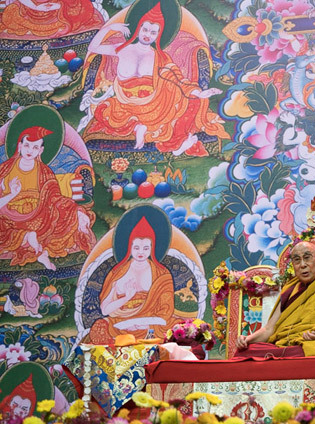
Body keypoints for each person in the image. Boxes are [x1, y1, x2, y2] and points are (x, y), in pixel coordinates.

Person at [84, 2, 228, 156]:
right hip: (125, 102)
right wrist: (111, 28)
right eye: (145, 29)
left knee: (193, 102)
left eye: (153, 32)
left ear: (158, 35)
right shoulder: (122, 48)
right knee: (104, 111)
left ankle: (147, 128)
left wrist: (198, 93)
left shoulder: (160, 57)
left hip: (153, 102)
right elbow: (93, 48)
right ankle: (145, 126)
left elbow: (177, 80)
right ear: (138, 29)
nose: (147, 34)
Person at [236, 241, 315, 357]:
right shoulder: (290, 289)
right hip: (284, 345)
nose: (303, 265)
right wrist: (248, 339)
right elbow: (269, 329)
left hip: (310, 345)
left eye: (307, 258)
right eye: (297, 260)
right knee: (245, 352)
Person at [0, 126, 95, 270]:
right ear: (19, 146)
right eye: (27, 145)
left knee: (74, 212)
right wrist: (13, 194)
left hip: (41, 214)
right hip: (12, 216)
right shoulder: (5, 170)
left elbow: (54, 198)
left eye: (35, 147)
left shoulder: (44, 171)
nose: (30, 150)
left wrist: (74, 210)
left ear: (40, 150)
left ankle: (35, 244)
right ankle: (31, 242)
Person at [88, 216, 178, 344]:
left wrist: (147, 324)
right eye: (136, 248)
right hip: (121, 323)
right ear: (129, 247)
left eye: (146, 248)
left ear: (152, 248)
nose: (141, 252)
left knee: (180, 326)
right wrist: (125, 298)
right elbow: (105, 310)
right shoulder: (117, 273)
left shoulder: (162, 274)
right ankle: (114, 359)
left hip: (152, 324)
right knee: (99, 328)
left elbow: (166, 309)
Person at [0, 0, 104, 39]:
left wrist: (58, 6)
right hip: (29, 7)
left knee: (81, 6)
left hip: (56, 6)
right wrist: (35, 7)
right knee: (11, 11)